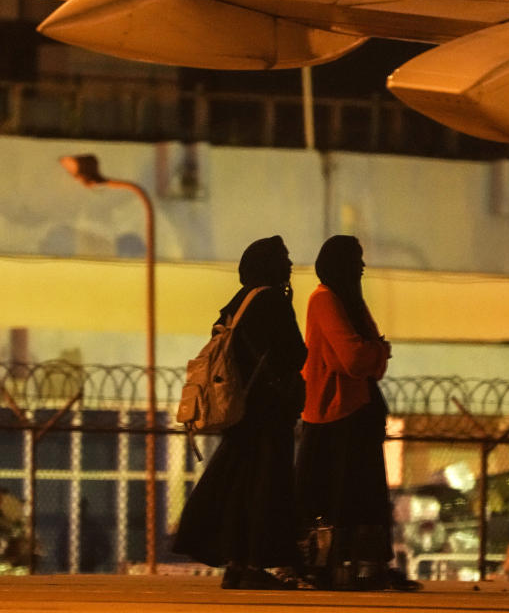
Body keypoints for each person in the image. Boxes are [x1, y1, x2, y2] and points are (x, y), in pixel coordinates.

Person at [173, 236, 307, 589]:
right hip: (267, 411)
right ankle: (253, 564)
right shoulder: (273, 301)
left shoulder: (238, 302)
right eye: (284, 258)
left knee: (237, 486)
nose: (290, 265)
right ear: (269, 265)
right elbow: (295, 352)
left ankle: (237, 562)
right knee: (265, 487)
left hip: (239, 409)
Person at [296, 235, 418, 591]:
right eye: (356, 259)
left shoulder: (351, 302)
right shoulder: (324, 300)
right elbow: (353, 359)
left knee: (363, 495)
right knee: (330, 496)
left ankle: (366, 570)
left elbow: (367, 363)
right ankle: (326, 567)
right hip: (331, 414)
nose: (362, 267)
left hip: (358, 413)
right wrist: (377, 350)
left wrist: (372, 353)